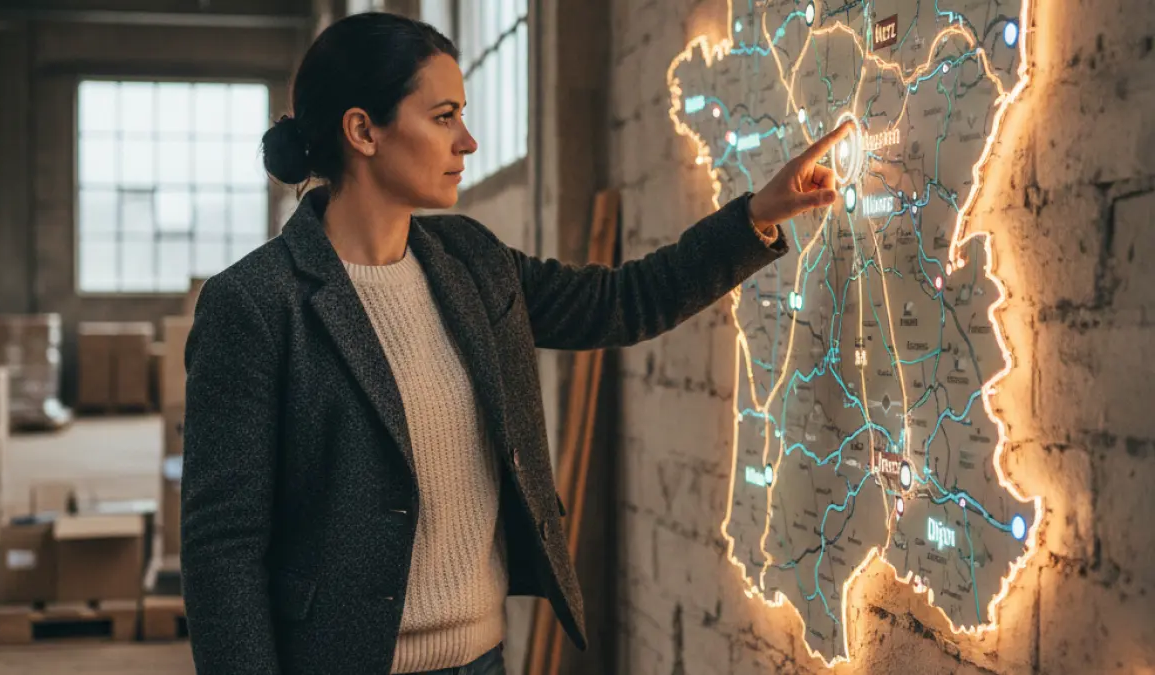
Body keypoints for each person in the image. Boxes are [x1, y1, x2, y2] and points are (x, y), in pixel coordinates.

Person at [179, 11, 851, 675]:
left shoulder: (470, 258)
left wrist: (758, 216)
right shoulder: (255, 304)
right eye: (444, 116)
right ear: (363, 130)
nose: (467, 141)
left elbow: (619, 302)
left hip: (485, 658)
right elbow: (221, 550)